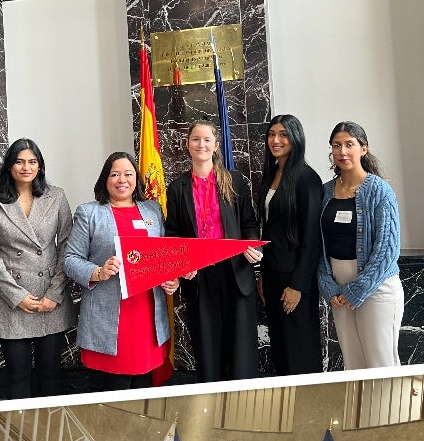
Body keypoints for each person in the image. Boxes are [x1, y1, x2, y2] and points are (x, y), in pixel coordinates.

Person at [65, 152, 178, 388]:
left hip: (147, 316)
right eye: (114, 174)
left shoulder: (152, 211)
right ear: (105, 179)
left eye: (128, 174)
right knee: (113, 395)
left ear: (136, 178)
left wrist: (171, 279)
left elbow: (164, 255)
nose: (122, 180)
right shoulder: (89, 212)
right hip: (109, 318)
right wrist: (98, 271)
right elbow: (70, 259)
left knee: (143, 393)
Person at [164, 119, 262, 382]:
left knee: (241, 352)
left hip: (236, 275)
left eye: (207, 140)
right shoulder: (176, 188)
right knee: (207, 350)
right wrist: (183, 263)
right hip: (199, 278)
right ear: (187, 145)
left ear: (216, 146)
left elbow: (249, 223)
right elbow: (172, 233)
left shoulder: (234, 181)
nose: (201, 144)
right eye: (196, 139)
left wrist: (251, 243)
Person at [0, 139, 75, 398]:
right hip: (10, 299)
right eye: (19, 161)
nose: (26, 167)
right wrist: (17, 296)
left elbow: (68, 246)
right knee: (17, 374)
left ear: (40, 166)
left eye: (32, 161)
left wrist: (54, 294)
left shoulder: (56, 196)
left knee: (51, 373)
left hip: (49, 298)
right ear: (9, 166)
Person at [321, 121, 405, 369]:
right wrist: (328, 285)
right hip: (338, 289)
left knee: (382, 364)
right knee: (353, 365)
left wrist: (358, 289)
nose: (342, 151)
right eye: (337, 145)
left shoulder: (380, 191)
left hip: (377, 287)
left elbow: (387, 251)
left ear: (364, 149)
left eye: (349, 144)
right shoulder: (325, 192)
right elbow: (319, 244)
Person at [258, 115, 326, 373]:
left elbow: (312, 238)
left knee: (299, 347)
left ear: (296, 138)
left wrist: (297, 285)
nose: (276, 140)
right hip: (273, 273)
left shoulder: (307, 179)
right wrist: (263, 274)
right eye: (272, 134)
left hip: (295, 279)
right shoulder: (272, 174)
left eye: (283, 134)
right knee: (281, 347)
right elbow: (269, 230)